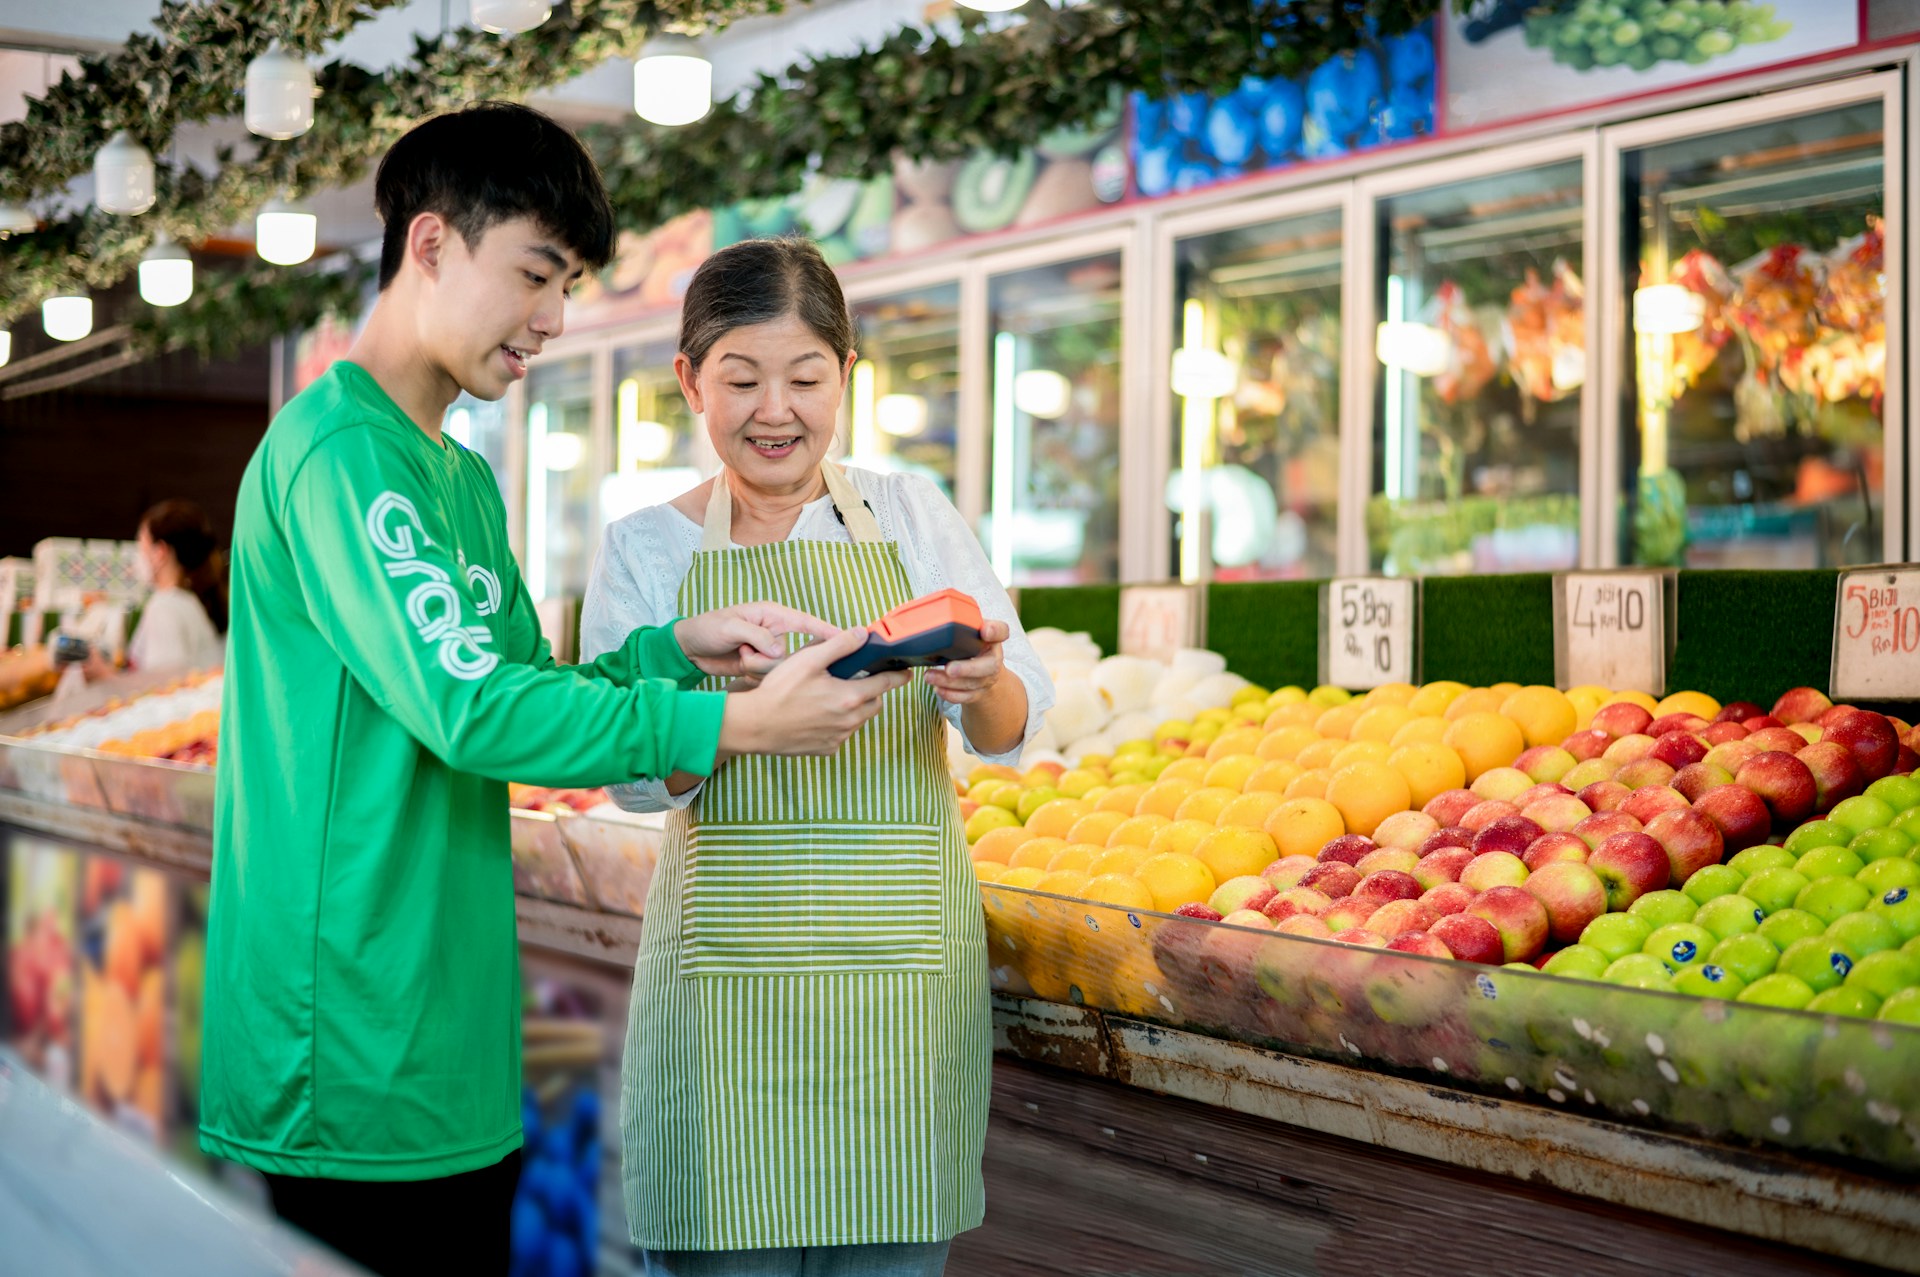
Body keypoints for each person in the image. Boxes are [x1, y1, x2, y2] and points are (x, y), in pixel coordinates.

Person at [199, 107, 903, 1277]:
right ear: (430, 246)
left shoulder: (458, 474)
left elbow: (528, 684)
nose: (554, 320)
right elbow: (470, 711)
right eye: (536, 272)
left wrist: (679, 646)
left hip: (448, 1039)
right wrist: (734, 722)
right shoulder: (339, 453)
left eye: (567, 282)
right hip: (348, 1046)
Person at [580, 237, 1055, 1277]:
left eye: (805, 378)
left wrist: (980, 683)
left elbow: (1018, 722)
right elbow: (622, 768)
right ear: (689, 381)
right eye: (741, 379)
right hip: (725, 1009)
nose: (775, 411)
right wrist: (723, 705)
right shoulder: (645, 549)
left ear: (847, 374)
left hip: (899, 1002)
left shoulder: (911, 515)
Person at [125, 498, 225, 672]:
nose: (137, 554)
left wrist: (102, 673)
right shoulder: (189, 600)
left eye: (141, 542)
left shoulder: (164, 608)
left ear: (160, 552)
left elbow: (161, 685)